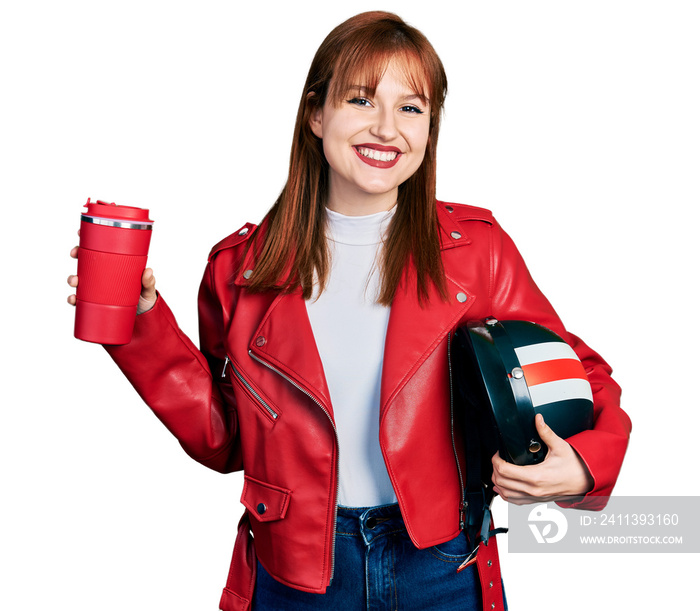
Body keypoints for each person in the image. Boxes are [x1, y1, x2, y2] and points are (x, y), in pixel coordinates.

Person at [67, 11, 631, 611]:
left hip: (441, 565)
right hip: (296, 571)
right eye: (362, 100)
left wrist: (587, 466)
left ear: (431, 129)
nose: (387, 129)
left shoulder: (476, 251)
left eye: (412, 108)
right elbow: (225, 440)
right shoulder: (239, 269)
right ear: (316, 114)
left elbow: (579, 375)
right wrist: (140, 324)